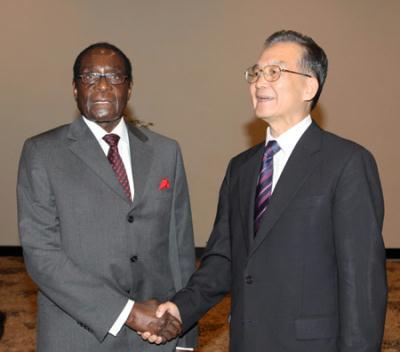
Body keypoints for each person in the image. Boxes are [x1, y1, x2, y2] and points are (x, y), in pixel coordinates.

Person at [141, 30, 387, 352]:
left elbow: (363, 287)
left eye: (274, 72)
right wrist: (180, 308)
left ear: (309, 86)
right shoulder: (241, 168)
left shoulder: (347, 163)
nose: (259, 82)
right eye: (255, 73)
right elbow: (223, 258)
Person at [17, 42, 196, 352]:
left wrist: (184, 338)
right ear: (75, 88)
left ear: (129, 88)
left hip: (156, 336)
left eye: (114, 76)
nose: (101, 85)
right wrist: (126, 312)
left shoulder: (166, 152)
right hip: (78, 334)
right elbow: (42, 256)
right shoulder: (43, 153)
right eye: (89, 76)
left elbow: (178, 249)